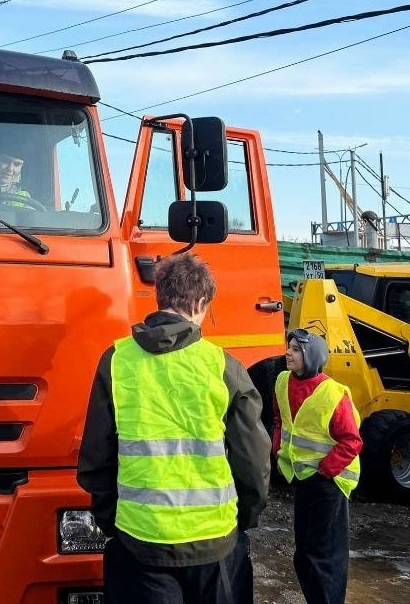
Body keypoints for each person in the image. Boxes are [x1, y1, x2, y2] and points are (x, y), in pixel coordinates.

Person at [78, 253, 270, 604]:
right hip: (214, 543)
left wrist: (113, 521)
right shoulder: (224, 367)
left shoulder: (116, 361)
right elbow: (253, 461)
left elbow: (95, 459)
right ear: (199, 303)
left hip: (140, 543)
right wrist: (243, 518)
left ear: (160, 296)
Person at [273, 329, 364, 604]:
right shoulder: (282, 381)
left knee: (324, 558)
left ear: (311, 356)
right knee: (305, 555)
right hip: (304, 479)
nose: (288, 352)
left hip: (330, 482)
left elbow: (352, 441)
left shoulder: (332, 394)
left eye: (296, 349)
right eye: (289, 347)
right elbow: (280, 420)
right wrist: (277, 450)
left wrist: (325, 472)